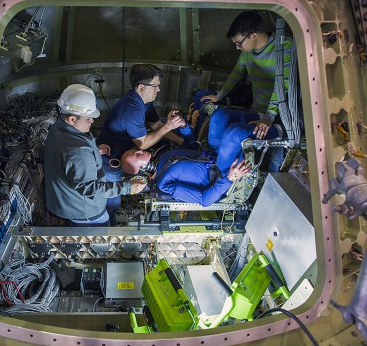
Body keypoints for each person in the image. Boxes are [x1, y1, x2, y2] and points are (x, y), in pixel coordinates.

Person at [44, 84, 146, 227]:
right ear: (72, 119)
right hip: (86, 213)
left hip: (68, 203)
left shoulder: (57, 128)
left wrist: (94, 150)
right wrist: (129, 188)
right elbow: (89, 188)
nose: (92, 121)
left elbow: (67, 157)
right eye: (88, 118)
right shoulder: (78, 150)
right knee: (100, 246)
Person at [97, 63, 185, 224]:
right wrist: (168, 126)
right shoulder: (132, 109)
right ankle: (108, 230)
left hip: (123, 153)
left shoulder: (144, 102)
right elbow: (143, 144)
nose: (158, 90)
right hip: (109, 160)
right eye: (155, 86)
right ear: (141, 87)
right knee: (112, 202)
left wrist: (181, 141)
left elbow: (156, 126)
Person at [205, 10, 293, 172]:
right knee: (219, 116)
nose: (237, 48)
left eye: (239, 43)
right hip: (258, 111)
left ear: (253, 35)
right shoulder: (248, 52)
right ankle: (217, 166)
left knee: (274, 164)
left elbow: (283, 84)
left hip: (280, 118)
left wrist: (269, 118)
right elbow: (237, 73)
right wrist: (219, 96)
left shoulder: (284, 47)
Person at [120, 146, 251, 207]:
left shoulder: (162, 156)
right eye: (136, 155)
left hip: (218, 156)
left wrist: (186, 127)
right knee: (234, 133)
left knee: (219, 117)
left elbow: (190, 145)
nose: (139, 150)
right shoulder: (164, 184)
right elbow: (205, 200)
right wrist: (230, 178)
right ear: (141, 172)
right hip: (224, 174)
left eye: (135, 150)